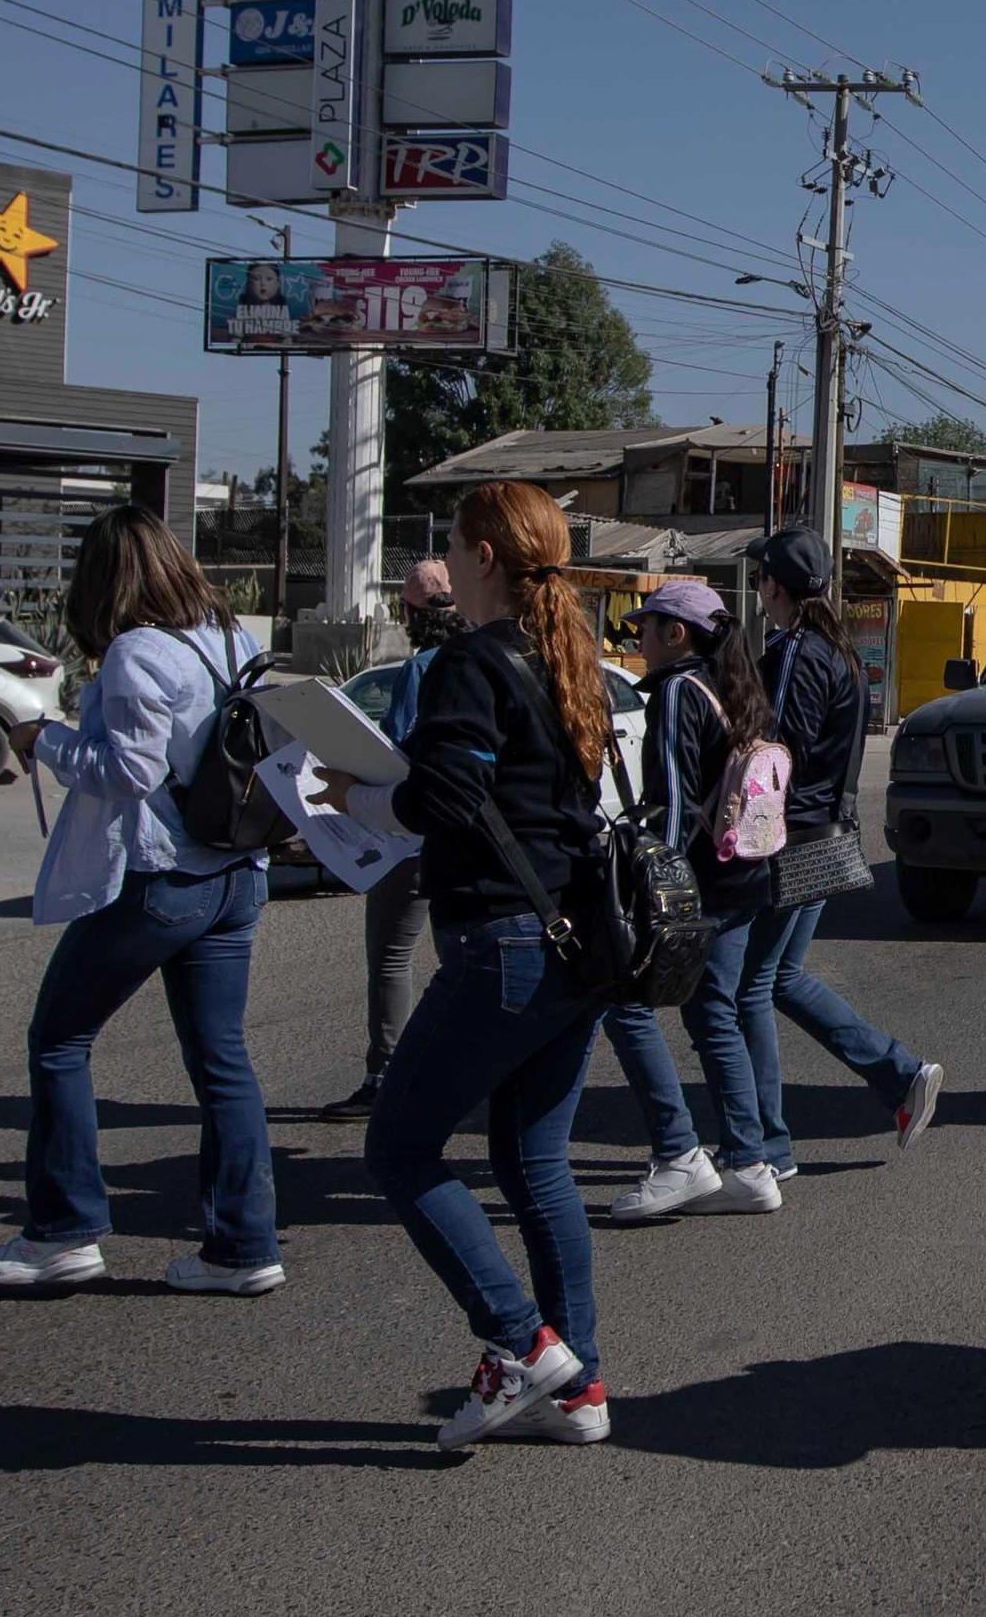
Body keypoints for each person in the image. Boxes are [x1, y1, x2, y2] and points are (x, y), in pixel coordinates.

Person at [0, 506, 281, 1298]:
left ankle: (63, 1231)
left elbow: (128, 772)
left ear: (105, 579)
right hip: (235, 874)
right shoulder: (228, 636)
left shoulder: (138, 652)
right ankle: (243, 1248)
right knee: (223, 1064)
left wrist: (46, 742)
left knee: (59, 1041)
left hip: (163, 879)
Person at [368, 478, 624, 1448]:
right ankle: (579, 1392)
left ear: (481, 555)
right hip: (574, 947)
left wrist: (356, 795)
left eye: (449, 540)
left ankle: (523, 1342)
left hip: (503, 942)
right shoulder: (573, 656)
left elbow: (441, 794)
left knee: (397, 1149)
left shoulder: (471, 661)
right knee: (534, 1166)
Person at [740, 526, 947, 1173]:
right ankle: (900, 1073)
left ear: (776, 586)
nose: (755, 589)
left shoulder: (799, 654)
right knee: (779, 979)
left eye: (759, 578)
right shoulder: (839, 653)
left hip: (791, 840)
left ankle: (766, 1149)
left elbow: (777, 755)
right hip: (824, 838)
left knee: (748, 987)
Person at [601, 580, 788, 1222]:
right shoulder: (735, 686)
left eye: (645, 628)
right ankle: (749, 1162)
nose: (639, 641)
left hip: (700, 885)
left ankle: (682, 1155)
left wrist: (654, 878)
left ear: (674, 633)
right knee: (717, 1016)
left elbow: (676, 803)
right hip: (744, 875)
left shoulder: (681, 691)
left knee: (625, 1002)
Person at [311, 555, 461, 1123]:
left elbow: (397, 751)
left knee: (392, 958)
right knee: (460, 958)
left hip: (413, 836)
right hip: (467, 836)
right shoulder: (482, 658)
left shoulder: (420, 669)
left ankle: (386, 1074)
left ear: (408, 613)